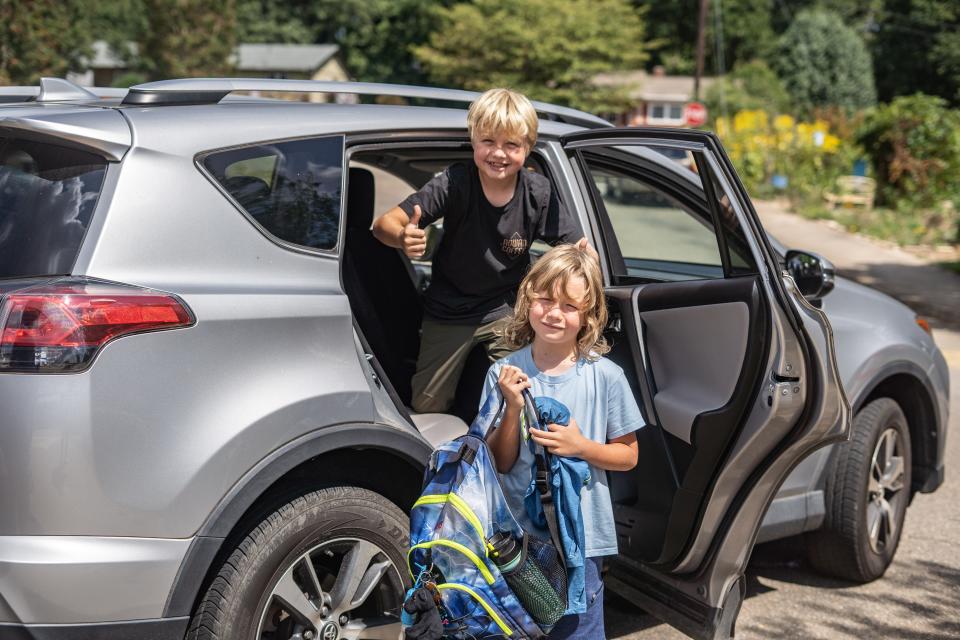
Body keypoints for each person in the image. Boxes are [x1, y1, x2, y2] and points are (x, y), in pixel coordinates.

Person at [372, 87, 593, 414]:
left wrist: (575, 281)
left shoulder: (538, 192)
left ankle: (501, 458)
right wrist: (403, 238)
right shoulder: (454, 182)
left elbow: (578, 250)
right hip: (449, 310)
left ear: (528, 148)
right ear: (474, 140)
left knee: (514, 400)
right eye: (488, 141)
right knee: (426, 405)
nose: (498, 154)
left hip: (507, 311)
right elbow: (384, 224)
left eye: (511, 145)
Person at [481, 244, 644, 639]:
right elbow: (499, 463)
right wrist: (512, 409)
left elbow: (628, 456)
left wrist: (579, 446)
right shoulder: (503, 373)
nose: (554, 313)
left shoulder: (605, 377)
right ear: (528, 299)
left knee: (576, 629)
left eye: (570, 306)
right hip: (516, 537)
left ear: (588, 315)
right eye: (545, 300)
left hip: (581, 539)